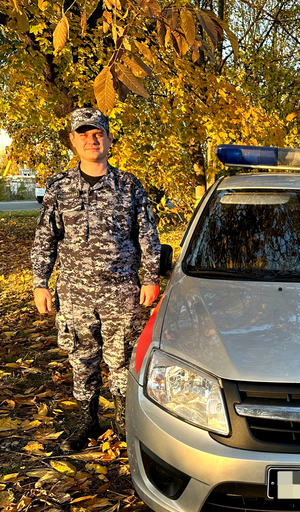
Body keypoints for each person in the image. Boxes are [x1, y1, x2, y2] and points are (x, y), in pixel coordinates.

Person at [32, 108, 161, 452]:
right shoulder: (59, 187)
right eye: (84, 134)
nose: (92, 139)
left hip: (121, 290)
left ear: (109, 139)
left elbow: (147, 235)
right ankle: (87, 420)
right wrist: (39, 282)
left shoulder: (129, 185)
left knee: (122, 357)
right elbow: (46, 235)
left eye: (98, 133)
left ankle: (121, 420)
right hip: (74, 291)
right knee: (81, 355)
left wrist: (150, 278)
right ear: (73, 140)